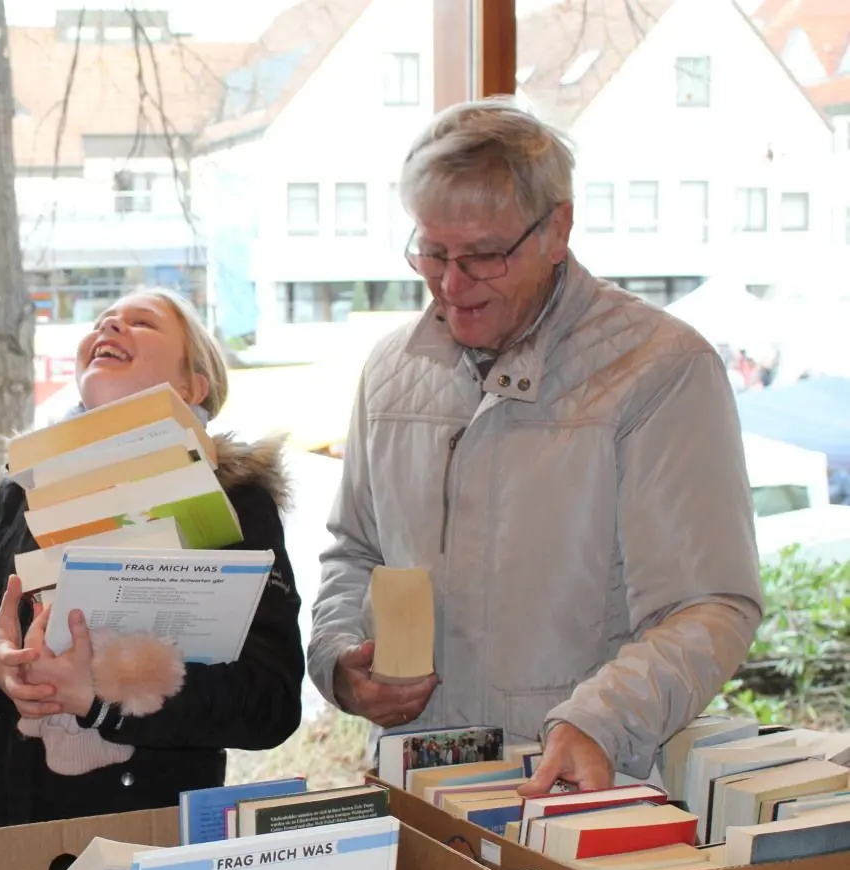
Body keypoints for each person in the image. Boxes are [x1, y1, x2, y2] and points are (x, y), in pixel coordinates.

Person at [309, 99, 762, 796]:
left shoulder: (659, 369)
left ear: (557, 229)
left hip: (575, 786)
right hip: (416, 787)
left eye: (484, 256)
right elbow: (353, 552)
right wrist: (340, 662)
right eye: (432, 252)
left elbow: (709, 605)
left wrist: (599, 720)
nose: (452, 286)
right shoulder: (391, 370)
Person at [0, 289, 304, 831]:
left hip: (147, 839)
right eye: (101, 321)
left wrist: (103, 696)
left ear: (193, 384)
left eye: (141, 323)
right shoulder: (23, 491)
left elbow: (270, 703)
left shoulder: (238, 502)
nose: (109, 329)